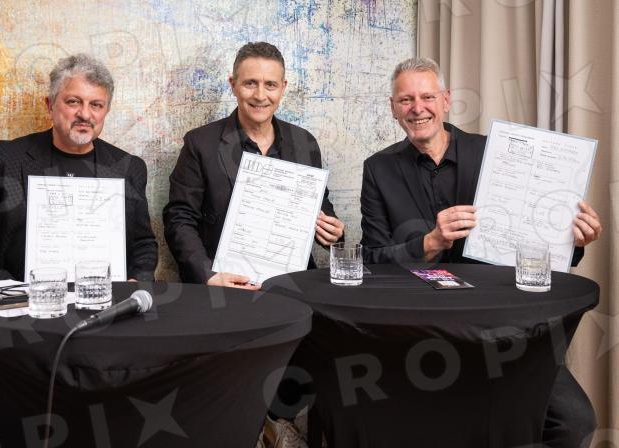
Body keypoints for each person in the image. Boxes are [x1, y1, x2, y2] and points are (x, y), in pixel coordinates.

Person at [360, 57, 600, 447]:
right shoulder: (378, 169)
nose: (418, 108)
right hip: (420, 332)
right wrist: (428, 243)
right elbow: (371, 260)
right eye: (406, 100)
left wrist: (571, 242)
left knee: (575, 421)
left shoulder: (497, 153)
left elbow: (535, 239)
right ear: (393, 107)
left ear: (446, 100)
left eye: (427, 97)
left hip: (507, 326)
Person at [0, 53, 157, 284]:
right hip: (22, 301)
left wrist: (137, 280)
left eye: (96, 105)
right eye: (73, 102)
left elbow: (143, 243)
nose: (85, 114)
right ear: (50, 105)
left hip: (104, 299)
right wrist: (4, 286)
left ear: (106, 111)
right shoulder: (7, 160)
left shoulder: (128, 168)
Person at [163, 42, 345, 288]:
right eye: (250, 83)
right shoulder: (200, 144)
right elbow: (179, 218)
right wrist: (208, 275)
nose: (260, 95)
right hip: (227, 285)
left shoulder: (304, 142)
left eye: (270, 84)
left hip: (292, 285)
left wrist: (334, 233)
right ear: (233, 85)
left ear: (283, 88)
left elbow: (320, 208)